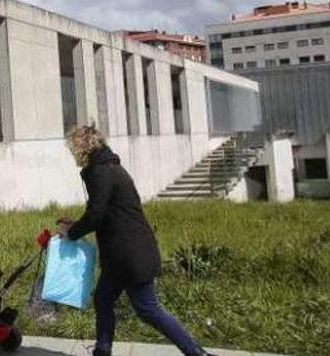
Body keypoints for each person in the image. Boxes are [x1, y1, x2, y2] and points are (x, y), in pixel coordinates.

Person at [57, 125, 215, 356]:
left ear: (82, 147)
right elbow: (104, 214)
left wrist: (71, 233)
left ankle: (197, 353)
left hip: (129, 255)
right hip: (122, 255)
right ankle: (102, 349)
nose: (73, 154)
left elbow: (96, 214)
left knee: (148, 309)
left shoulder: (101, 172)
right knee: (103, 298)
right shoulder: (108, 169)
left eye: (73, 149)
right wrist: (76, 225)